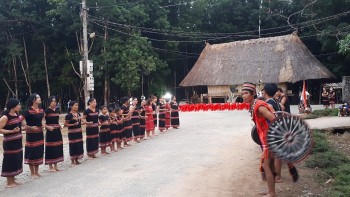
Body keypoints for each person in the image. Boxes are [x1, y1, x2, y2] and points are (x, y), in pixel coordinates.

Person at [241, 82, 276, 197]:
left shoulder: (259, 106)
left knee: (266, 166)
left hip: (269, 140)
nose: (244, 96)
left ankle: (271, 193)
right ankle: (271, 191)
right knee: (269, 166)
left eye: (246, 93)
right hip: (266, 139)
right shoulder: (254, 105)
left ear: (253, 93)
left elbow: (274, 119)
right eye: (242, 94)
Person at [0, 98, 23, 188]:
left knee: (16, 159)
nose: (20, 106)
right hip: (9, 143)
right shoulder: (5, 117)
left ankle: (13, 179)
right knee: (9, 160)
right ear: (13, 106)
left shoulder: (16, 114)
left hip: (17, 142)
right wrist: (11, 131)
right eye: (18, 105)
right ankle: (9, 182)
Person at [23, 93, 45, 178]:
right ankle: (32, 173)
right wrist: (29, 127)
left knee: (38, 151)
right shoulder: (27, 111)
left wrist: (43, 124)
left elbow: (42, 119)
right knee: (31, 152)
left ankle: (37, 171)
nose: (40, 99)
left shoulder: (41, 110)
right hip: (31, 135)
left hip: (40, 134)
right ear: (33, 100)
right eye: (38, 97)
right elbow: (22, 120)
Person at [44, 96, 64, 172]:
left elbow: (57, 120)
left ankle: (56, 165)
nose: (54, 103)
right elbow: (41, 122)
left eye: (55, 101)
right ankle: (50, 166)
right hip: (50, 132)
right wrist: (47, 127)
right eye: (52, 101)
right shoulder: (46, 111)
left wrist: (60, 125)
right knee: (50, 147)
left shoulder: (57, 110)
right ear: (49, 102)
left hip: (57, 131)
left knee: (58, 147)